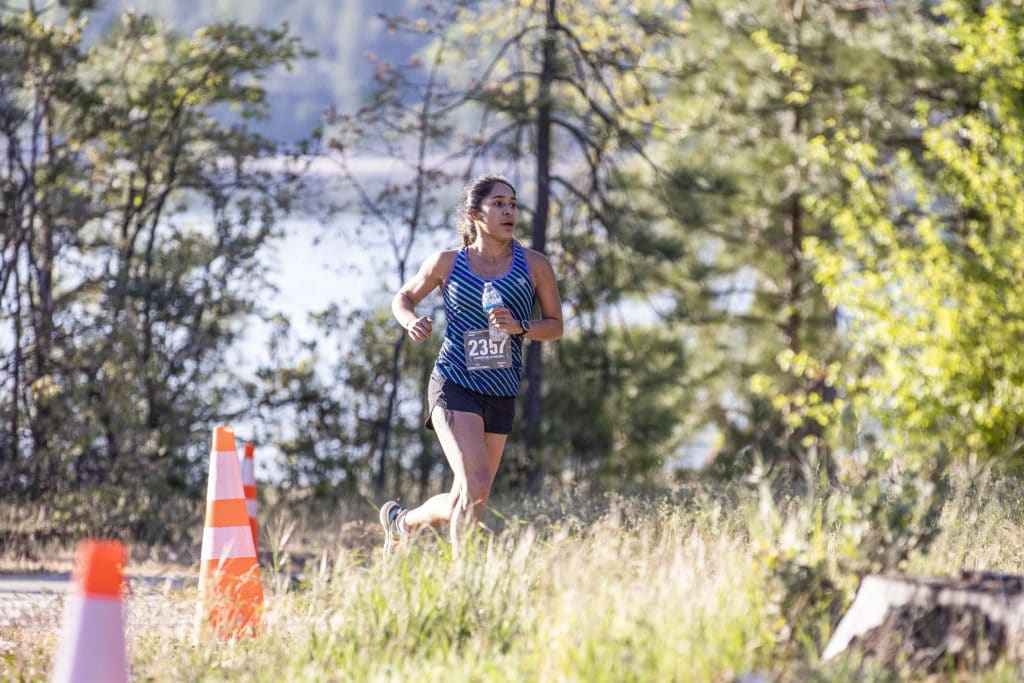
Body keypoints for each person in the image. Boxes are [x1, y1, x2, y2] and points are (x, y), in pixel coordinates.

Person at [380, 173, 564, 557]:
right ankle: (465, 582)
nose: (509, 210)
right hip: (454, 384)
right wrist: (412, 320)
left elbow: (555, 327)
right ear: (474, 214)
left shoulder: (535, 265)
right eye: (498, 204)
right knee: (477, 483)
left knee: (468, 498)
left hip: (500, 391)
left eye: (512, 203)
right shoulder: (447, 263)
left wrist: (521, 326)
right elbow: (403, 297)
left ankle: (402, 521)